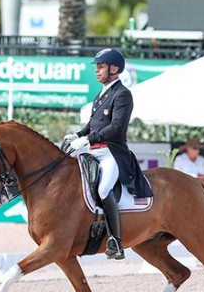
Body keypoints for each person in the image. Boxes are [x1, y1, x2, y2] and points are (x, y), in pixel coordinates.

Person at [63, 48, 152, 260]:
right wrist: (76, 134)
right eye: (97, 67)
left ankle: (116, 241)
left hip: (112, 152)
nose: (97, 71)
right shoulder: (101, 95)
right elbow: (92, 125)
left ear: (115, 69)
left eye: (101, 67)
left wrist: (86, 140)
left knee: (103, 189)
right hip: (94, 152)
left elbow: (115, 128)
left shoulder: (122, 94)